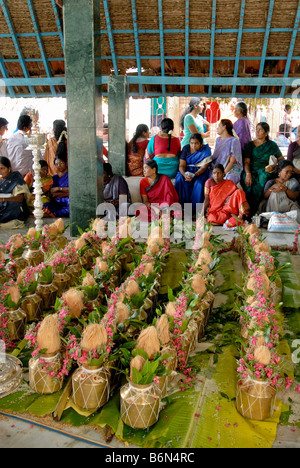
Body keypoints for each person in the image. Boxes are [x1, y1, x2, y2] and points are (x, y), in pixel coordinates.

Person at [242, 122, 284, 218]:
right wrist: (248, 173)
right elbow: (246, 162)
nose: (257, 131)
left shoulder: (272, 145)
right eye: (256, 129)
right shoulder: (250, 145)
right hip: (251, 170)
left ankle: (254, 210)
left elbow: (281, 159)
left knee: (263, 178)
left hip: (265, 170)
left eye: (260, 129)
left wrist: (273, 166)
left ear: (266, 133)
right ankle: (246, 210)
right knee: (247, 181)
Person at [175, 133, 211, 210]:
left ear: (201, 144)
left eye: (196, 143)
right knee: (180, 180)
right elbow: (181, 165)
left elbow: (204, 167)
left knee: (199, 183)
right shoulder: (186, 149)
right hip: (187, 170)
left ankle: (195, 210)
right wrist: (184, 174)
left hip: (200, 171)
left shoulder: (206, 151)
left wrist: (195, 174)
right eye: (191, 143)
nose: (193, 146)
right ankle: (181, 208)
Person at [0, 156, 30, 228]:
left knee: (14, 205)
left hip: (12, 207)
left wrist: (3, 199)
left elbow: (19, 198)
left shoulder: (15, 179)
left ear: (9, 169)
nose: (0, 171)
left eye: (2, 168)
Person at [210, 119, 243, 185]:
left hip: (230, 169)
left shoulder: (234, 141)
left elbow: (232, 161)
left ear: (224, 127)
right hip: (217, 166)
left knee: (228, 179)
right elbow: (215, 156)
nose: (217, 128)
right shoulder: (218, 140)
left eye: (219, 126)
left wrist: (223, 173)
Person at [43, 138, 69, 218]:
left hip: (67, 200)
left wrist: (58, 189)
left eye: (61, 163)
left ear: (66, 163)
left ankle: (55, 213)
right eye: (56, 164)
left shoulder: (70, 175)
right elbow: (52, 193)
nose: (59, 165)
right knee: (45, 204)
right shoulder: (54, 177)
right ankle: (52, 212)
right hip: (57, 200)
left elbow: (73, 190)